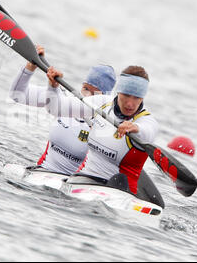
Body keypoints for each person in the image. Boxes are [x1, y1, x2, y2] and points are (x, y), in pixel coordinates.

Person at [45, 65, 164, 208]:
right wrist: (53, 86)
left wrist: (135, 128)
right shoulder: (101, 104)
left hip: (120, 193)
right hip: (81, 181)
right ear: (118, 91)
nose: (130, 103)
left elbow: (148, 131)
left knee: (119, 180)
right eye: (126, 95)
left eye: (137, 98)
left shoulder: (146, 121)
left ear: (143, 98)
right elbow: (55, 108)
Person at [9, 45, 116, 175]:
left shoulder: (106, 126)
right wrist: (31, 66)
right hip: (41, 172)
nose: (88, 97)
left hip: (70, 185)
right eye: (86, 89)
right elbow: (17, 94)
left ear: (104, 99)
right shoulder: (64, 99)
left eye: (96, 94)